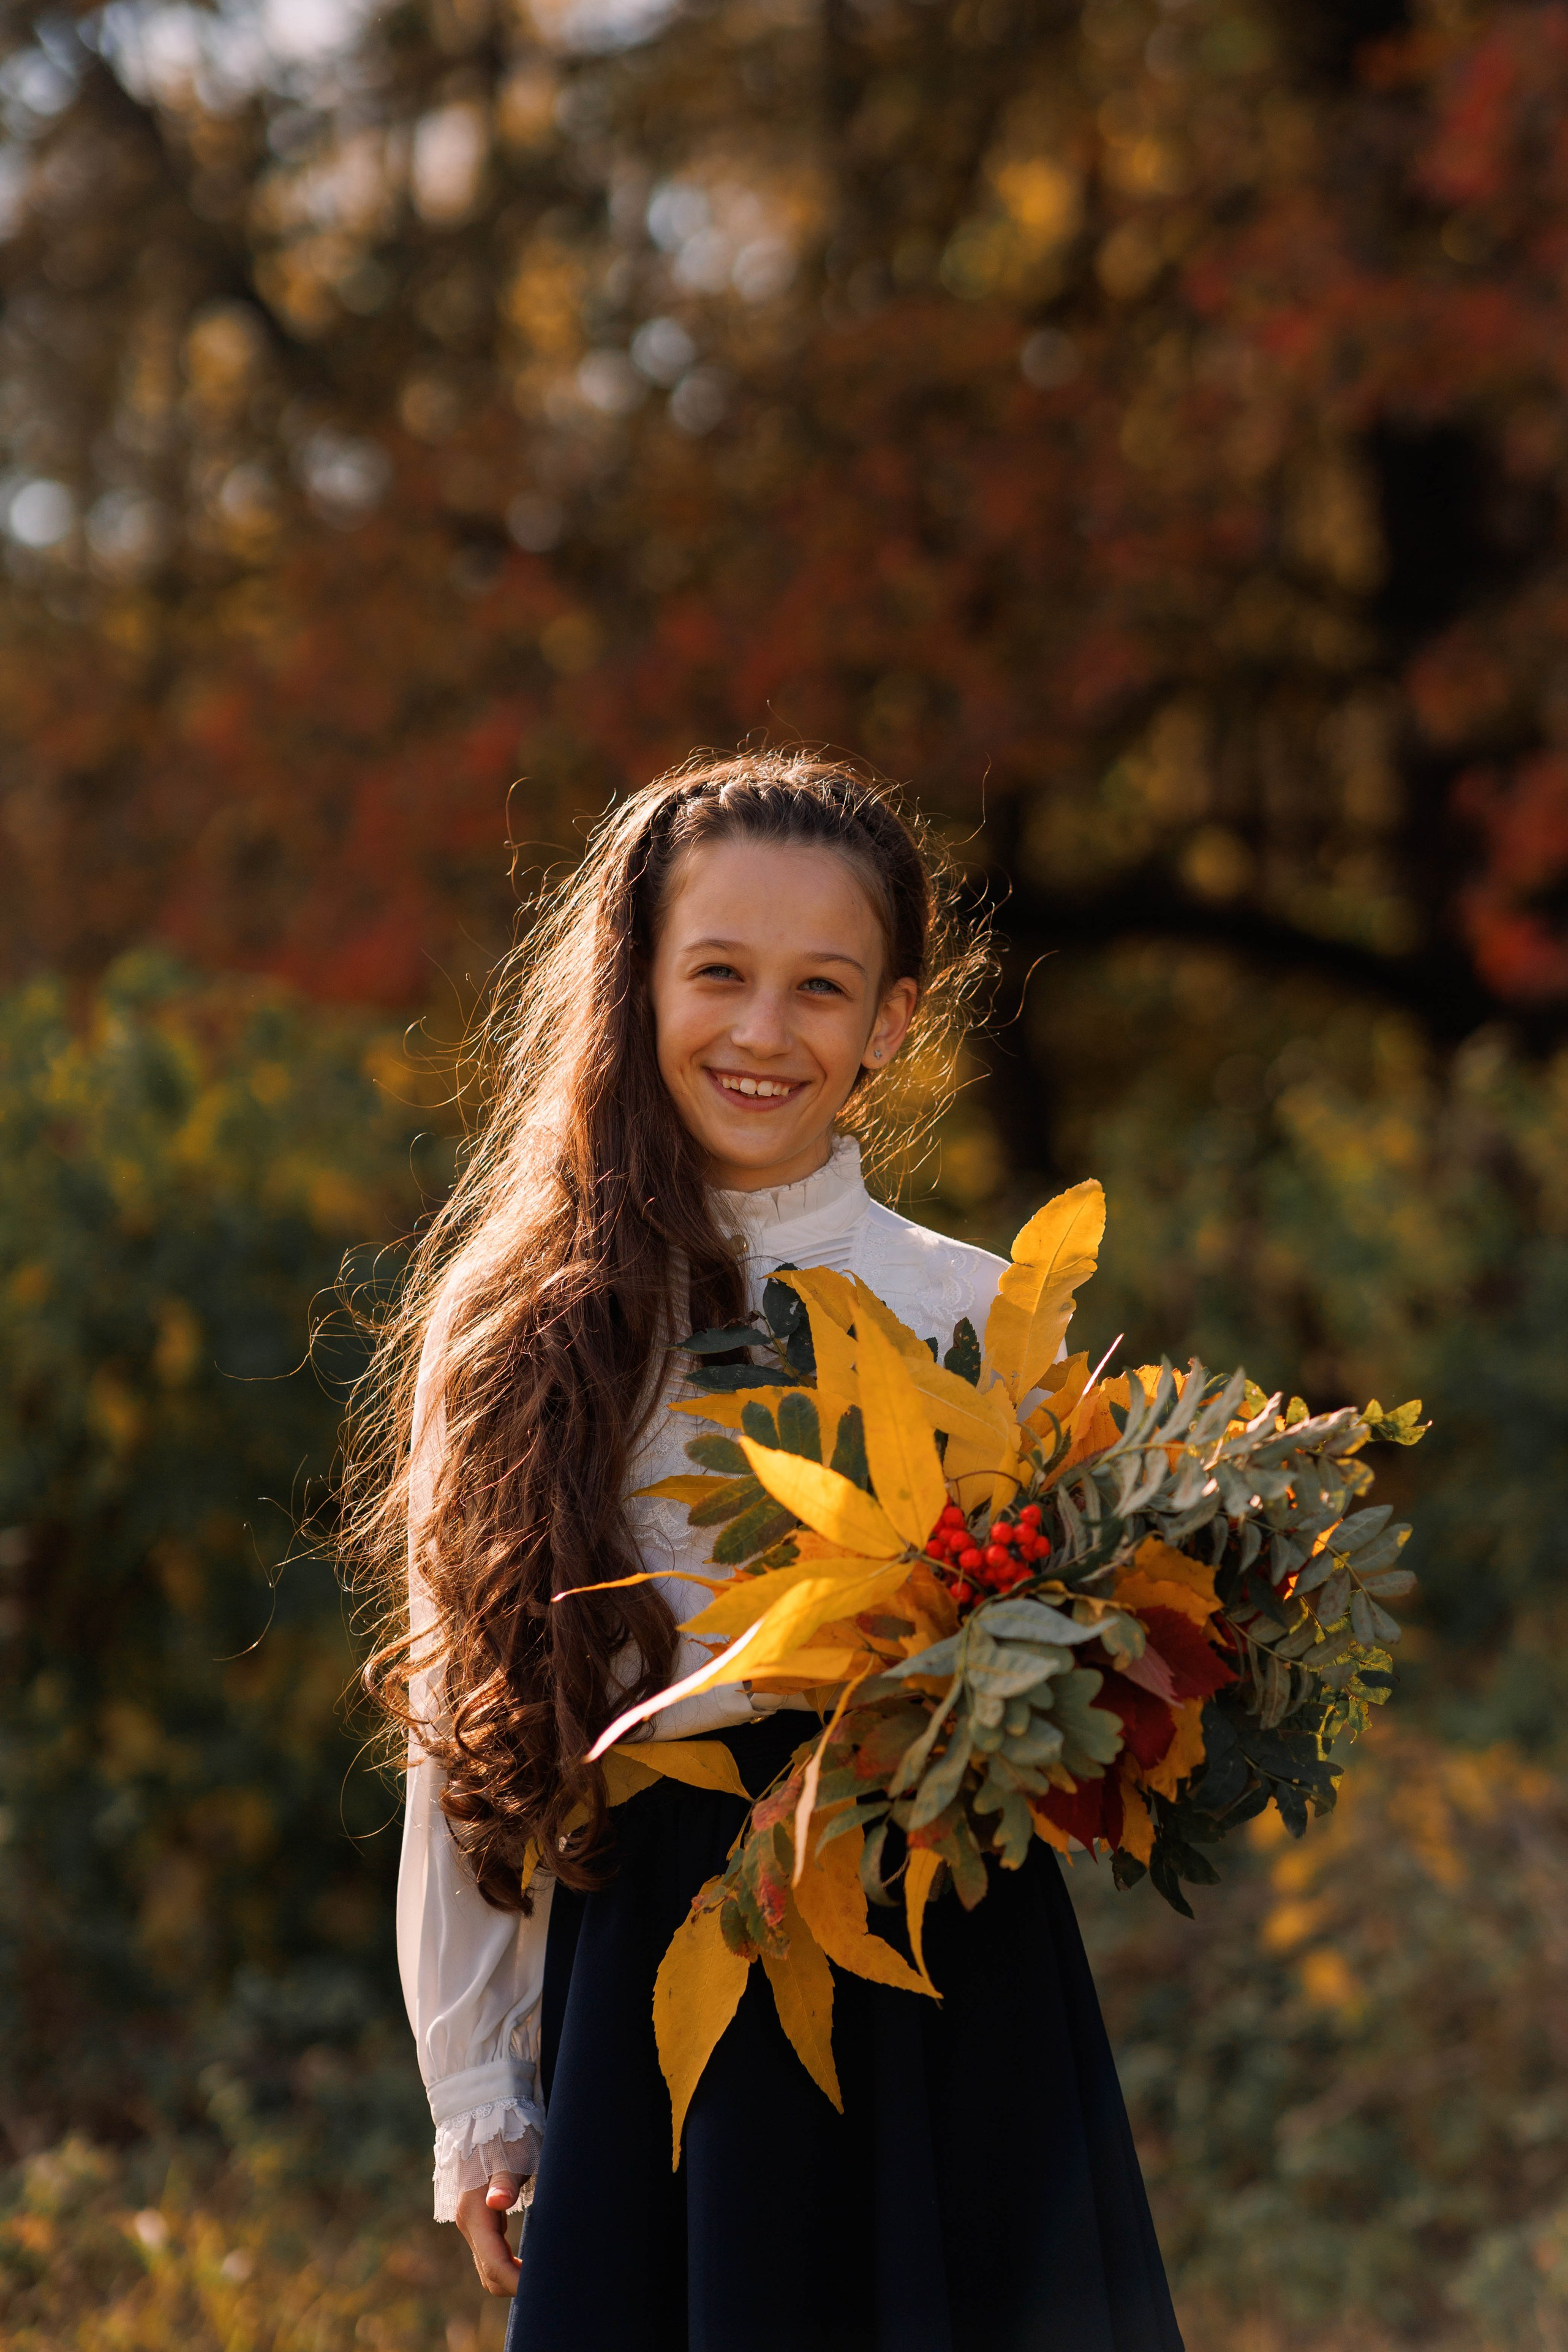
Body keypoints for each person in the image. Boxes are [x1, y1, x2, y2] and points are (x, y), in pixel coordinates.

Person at [350, 752, 1185, 2352]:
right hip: (658, 1982)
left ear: (890, 1022)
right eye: (718, 972)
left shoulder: (976, 1311)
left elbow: (1079, 1672)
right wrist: (477, 2084)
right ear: (636, 978)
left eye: (822, 987)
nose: (760, 1030)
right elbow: (466, 1718)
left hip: (951, 1970)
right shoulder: (528, 1332)